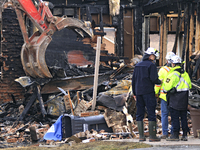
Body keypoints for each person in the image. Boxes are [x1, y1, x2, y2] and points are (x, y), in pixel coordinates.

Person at [132, 47, 161, 142]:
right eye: (154, 56)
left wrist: (134, 93)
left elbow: (134, 80)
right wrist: (159, 81)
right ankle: (152, 136)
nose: (155, 58)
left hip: (138, 93)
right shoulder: (151, 65)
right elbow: (153, 79)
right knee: (151, 113)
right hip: (148, 92)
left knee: (139, 113)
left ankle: (141, 136)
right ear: (151, 56)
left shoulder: (138, 65)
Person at [163, 55, 191, 141]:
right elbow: (189, 85)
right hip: (184, 98)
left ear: (173, 64)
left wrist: (165, 90)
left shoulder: (172, 74)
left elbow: (166, 87)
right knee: (183, 116)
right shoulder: (185, 74)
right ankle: (185, 134)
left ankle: (175, 135)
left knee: (175, 117)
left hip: (175, 99)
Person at [155, 52, 175, 139]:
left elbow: (158, 83)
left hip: (164, 96)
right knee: (174, 114)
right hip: (175, 96)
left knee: (164, 114)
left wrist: (155, 92)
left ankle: (165, 133)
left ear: (167, 60)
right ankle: (174, 133)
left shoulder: (163, 70)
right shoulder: (178, 70)